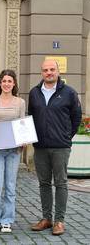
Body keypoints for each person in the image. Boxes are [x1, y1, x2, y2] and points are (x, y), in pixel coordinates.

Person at [28, 59, 82, 235]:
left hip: (60, 147)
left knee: (60, 183)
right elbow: (31, 117)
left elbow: (76, 118)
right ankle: (46, 219)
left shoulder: (69, 93)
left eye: (52, 69)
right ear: (41, 73)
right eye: (45, 70)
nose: (49, 72)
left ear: (58, 72)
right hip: (40, 146)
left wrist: (66, 136)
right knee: (43, 183)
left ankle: (59, 220)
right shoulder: (34, 93)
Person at [0, 69, 25, 233]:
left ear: (14, 84)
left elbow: (23, 124)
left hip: (14, 150)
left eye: (10, 81)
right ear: (0, 83)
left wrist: (25, 138)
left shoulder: (20, 102)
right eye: (4, 81)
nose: (7, 84)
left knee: (10, 187)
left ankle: (7, 219)